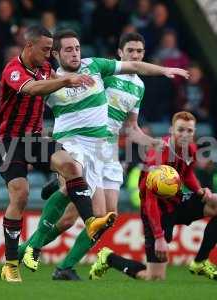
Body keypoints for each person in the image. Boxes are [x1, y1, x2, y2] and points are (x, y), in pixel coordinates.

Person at [18, 30, 189, 280]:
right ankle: (32, 247)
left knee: (105, 216)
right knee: (73, 199)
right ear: (120, 53)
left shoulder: (138, 87)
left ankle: (59, 264)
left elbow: (130, 128)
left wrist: (153, 142)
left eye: (140, 51)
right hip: (79, 142)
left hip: (106, 151)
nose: (135, 55)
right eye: (130, 51)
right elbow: (48, 87)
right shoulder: (103, 72)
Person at [0, 25, 116, 283]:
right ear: (29, 47)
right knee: (20, 195)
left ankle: (91, 220)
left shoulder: (47, 69)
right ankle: (10, 263)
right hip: (10, 142)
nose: (50, 55)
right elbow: (32, 89)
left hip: (35, 139)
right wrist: (66, 80)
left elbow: (61, 89)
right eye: (45, 49)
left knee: (72, 166)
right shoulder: (13, 70)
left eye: (52, 50)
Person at [89, 111, 217, 281]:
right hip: (156, 212)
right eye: (181, 130)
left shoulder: (191, 148)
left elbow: (186, 173)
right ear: (171, 129)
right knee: (155, 278)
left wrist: (199, 191)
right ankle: (109, 258)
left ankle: (200, 262)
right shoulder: (158, 155)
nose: (185, 135)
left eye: (190, 131)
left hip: (178, 202)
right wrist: (158, 237)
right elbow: (150, 201)